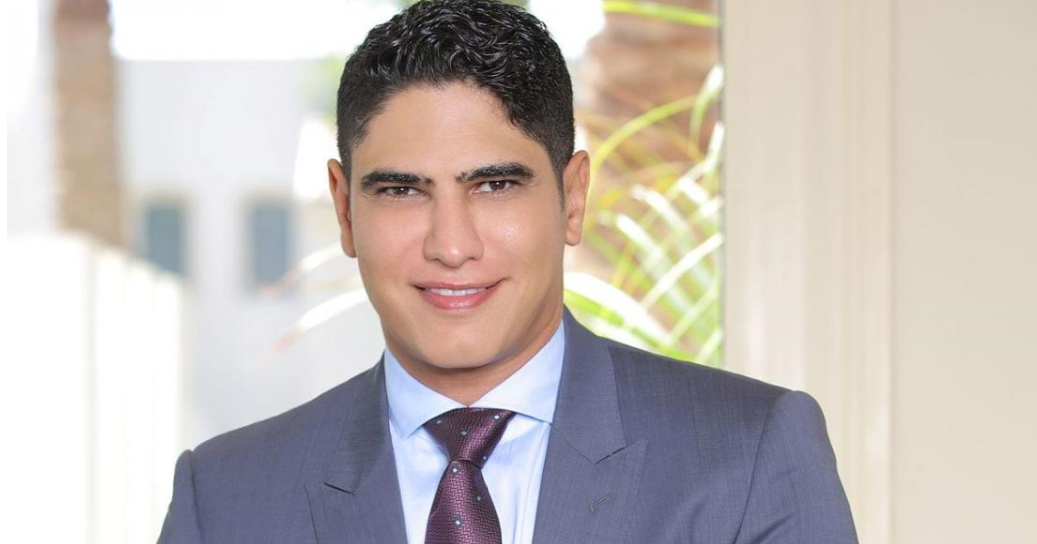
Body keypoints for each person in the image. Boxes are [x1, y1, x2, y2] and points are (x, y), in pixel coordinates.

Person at [157, 1, 859, 543]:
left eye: (494, 185)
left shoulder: (750, 457)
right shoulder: (224, 498)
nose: (451, 245)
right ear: (344, 209)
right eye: (401, 190)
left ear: (572, 198)